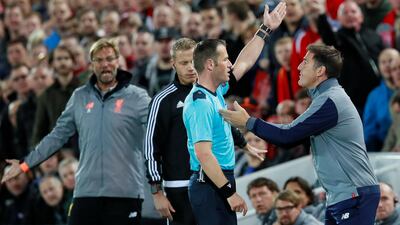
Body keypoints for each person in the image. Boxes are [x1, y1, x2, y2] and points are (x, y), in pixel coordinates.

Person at [220, 43, 380, 224]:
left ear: (320, 71)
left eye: (305, 62)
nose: (298, 66)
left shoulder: (331, 100)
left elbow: (288, 136)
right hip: (341, 195)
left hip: (353, 193)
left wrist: (248, 122)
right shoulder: (325, 98)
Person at [1, 38, 151, 225]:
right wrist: (25, 165)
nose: (105, 64)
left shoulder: (137, 97)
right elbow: (57, 136)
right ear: (91, 65)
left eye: (110, 59)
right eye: (99, 60)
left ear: (118, 62)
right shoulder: (80, 96)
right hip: (86, 191)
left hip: (124, 192)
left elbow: (157, 133)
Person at [182, 3, 287, 225]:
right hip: (210, 184)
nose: (230, 64)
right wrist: (229, 193)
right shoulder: (200, 103)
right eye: (225, 60)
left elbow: (245, 62)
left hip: (217, 180)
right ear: (210, 65)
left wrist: (265, 30)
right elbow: (204, 155)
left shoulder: (215, 91)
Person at [145, 38, 265, 225]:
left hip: (213, 180)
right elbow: (150, 146)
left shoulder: (214, 89)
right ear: (173, 64)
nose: (191, 67)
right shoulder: (163, 100)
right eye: (184, 63)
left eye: (193, 61)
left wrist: (243, 143)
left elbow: (220, 120)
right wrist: (156, 191)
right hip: (181, 185)